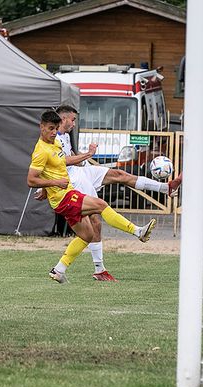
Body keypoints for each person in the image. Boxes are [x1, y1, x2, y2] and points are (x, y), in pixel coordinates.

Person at [47, 105, 181, 281]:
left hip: (81, 171)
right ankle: (101, 267)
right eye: (72, 120)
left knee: (120, 175)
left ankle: (166, 188)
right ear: (63, 119)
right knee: (96, 219)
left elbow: (70, 156)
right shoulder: (54, 138)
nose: (74, 123)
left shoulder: (65, 135)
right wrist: (88, 154)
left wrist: (86, 162)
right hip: (73, 180)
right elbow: (62, 162)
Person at [27, 110, 156, 284]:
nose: (53, 132)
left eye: (55, 129)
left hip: (66, 195)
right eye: (50, 128)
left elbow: (57, 168)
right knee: (101, 205)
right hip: (64, 197)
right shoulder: (40, 151)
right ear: (41, 127)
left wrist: (46, 189)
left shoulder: (55, 144)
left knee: (87, 235)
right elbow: (31, 180)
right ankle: (137, 231)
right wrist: (53, 183)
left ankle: (59, 270)